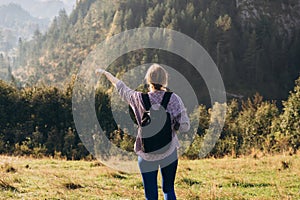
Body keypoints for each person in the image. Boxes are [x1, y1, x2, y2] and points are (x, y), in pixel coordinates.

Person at [96, 64, 190, 200]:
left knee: (150, 194)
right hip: (169, 151)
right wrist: (173, 125)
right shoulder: (173, 99)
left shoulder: (138, 98)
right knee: (168, 189)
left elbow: (121, 87)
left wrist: (106, 73)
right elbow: (185, 127)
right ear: (165, 80)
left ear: (148, 80)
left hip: (146, 153)